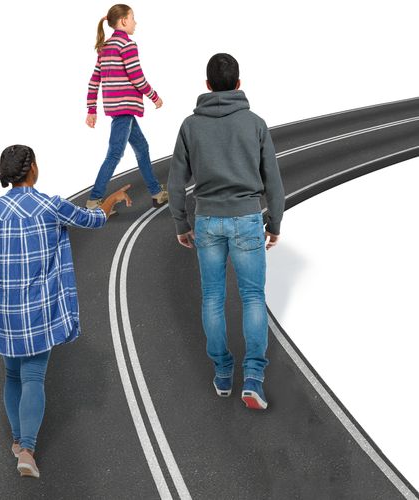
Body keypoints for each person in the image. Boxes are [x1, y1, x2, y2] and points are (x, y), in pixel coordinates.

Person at [0, 145, 131, 478]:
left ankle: (17, 441)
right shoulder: (50, 205)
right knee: (33, 377)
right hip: (40, 312)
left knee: (13, 375)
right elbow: (93, 219)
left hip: (5, 312)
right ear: (31, 169)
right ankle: (27, 449)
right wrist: (111, 201)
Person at [168, 54, 285, 410]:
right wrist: (274, 223)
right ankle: (253, 377)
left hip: (207, 222)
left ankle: (222, 373)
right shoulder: (255, 123)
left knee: (212, 298)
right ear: (238, 83)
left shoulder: (191, 126)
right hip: (248, 219)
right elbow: (274, 183)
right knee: (252, 298)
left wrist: (181, 224)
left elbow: (175, 184)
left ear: (207, 86)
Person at [85, 4, 168, 210]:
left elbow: (94, 80)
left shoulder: (105, 48)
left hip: (120, 111)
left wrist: (91, 109)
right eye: (133, 18)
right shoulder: (127, 45)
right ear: (123, 21)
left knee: (142, 147)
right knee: (114, 154)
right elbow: (137, 78)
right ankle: (94, 201)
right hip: (125, 109)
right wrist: (154, 97)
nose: (135, 22)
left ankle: (156, 192)